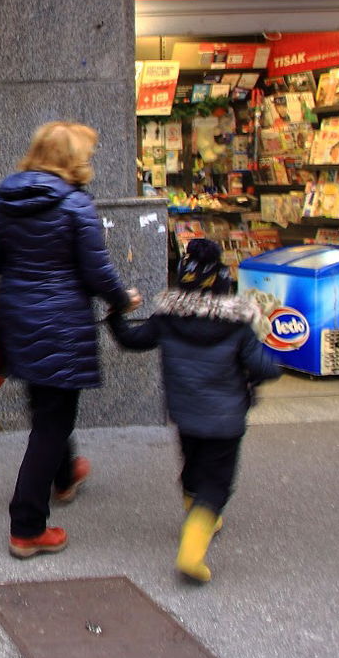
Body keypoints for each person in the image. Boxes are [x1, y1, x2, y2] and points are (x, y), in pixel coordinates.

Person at [0, 121, 139, 559]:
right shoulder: (76, 206)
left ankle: (64, 475)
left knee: (48, 406)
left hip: (17, 319)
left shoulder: (4, 200)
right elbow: (97, 271)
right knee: (52, 419)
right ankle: (27, 526)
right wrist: (124, 299)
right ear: (71, 159)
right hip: (62, 323)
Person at [107, 238, 282, 582]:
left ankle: (200, 516)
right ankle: (193, 546)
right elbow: (264, 368)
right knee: (216, 484)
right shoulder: (237, 324)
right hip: (226, 417)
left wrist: (115, 315)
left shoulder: (168, 317)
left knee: (193, 467)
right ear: (222, 282)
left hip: (185, 413)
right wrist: (271, 359)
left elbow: (132, 340)